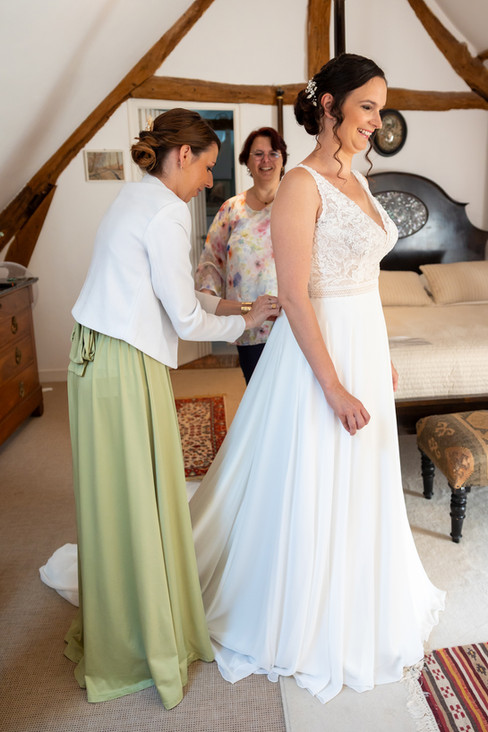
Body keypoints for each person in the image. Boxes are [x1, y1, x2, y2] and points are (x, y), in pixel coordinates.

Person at [190, 55, 445, 704]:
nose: (377, 121)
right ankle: (306, 607)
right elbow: (296, 295)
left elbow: (366, 278)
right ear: (329, 105)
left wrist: (378, 353)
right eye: (367, 106)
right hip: (316, 355)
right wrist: (332, 385)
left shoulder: (358, 178)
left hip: (363, 344)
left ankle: (360, 588)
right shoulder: (301, 185)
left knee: (363, 477)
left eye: (381, 109)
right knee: (311, 475)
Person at [64, 108, 278, 709]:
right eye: (208, 166)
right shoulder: (167, 211)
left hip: (94, 352)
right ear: (183, 156)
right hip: (121, 363)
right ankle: (143, 642)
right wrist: (247, 322)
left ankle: (128, 617)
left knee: (118, 495)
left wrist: (239, 309)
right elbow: (183, 318)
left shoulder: (137, 197)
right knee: (136, 494)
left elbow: (171, 296)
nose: (210, 180)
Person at [195, 127, 287, 383]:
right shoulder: (231, 209)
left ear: (283, 160)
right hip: (248, 324)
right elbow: (211, 260)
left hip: (289, 323)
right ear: (247, 161)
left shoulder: (296, 206)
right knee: (257, 393)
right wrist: (207, 298)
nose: (266, 160)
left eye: (273, 153)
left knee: (289, 396)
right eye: (258, 154)